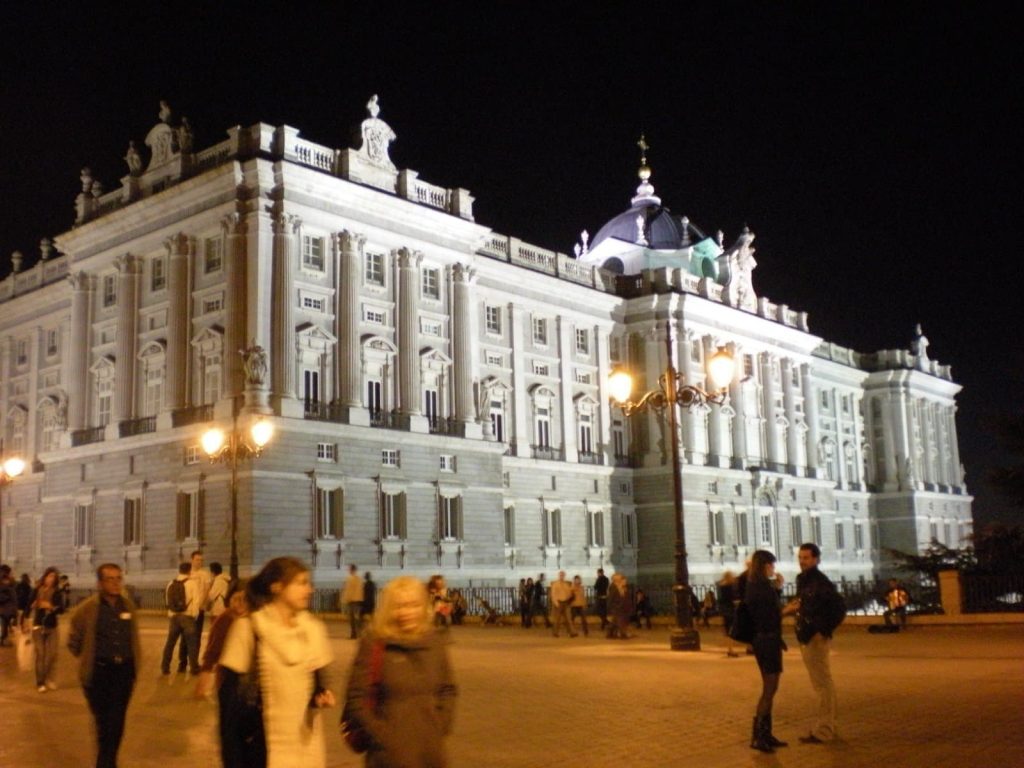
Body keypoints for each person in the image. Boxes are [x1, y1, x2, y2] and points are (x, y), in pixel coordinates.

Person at [220, 557, 337, 768]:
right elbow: (229, 705)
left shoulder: (312, 629)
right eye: (301, 583)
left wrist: (320, 696)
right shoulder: (249, 628)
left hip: (307, 746)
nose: (309, 589)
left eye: (308, 583)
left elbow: (314, 683)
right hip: (264, 747)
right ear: (277, 587)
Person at [343, 575, 457, 767]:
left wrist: (440, 725)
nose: (407, 612)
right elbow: (356, 697)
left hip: (430, 751)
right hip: (389, 757)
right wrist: (383, 737)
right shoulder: (374, 644)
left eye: (413, 605)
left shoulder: (434, 641)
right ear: (388, 609)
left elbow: (447, 689)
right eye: (400, 606)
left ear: (423, 606)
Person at [67, 563, 142, 768]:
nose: (116, 583)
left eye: (119, 578)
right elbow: (73, 641)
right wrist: (87, 656)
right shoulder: (87, 608)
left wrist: (135, 665)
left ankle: (107, 763)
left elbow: (133, 637)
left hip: (124, 672)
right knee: (103, 723)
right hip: (99, 672)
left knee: (116, 723)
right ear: (100, 583)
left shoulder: (128, 606)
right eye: (110, 579)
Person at [787, 542, 839, 744]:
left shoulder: (820, 582)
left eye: (806, 558)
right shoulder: (804, 580)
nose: (802, 561)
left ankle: (824, 730)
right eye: (800, 558)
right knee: (821, 683)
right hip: (806, 635)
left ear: (816, 559)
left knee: (822, 684)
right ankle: (827, 726)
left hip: (814, 638)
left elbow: (838, 608)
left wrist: (823, 631)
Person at [196, 580, 252, 768]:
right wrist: (205, 676)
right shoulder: (225, 619)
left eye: (245, 599)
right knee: (229, 733)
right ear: (230, 599)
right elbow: (212, 651)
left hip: (252, 685)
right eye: (236, 599)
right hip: (228, 682)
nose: (240, 604)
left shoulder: (256, 620)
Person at [745, 550, 788, 753]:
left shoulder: (755, 586)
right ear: (764, 566)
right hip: (767, 640)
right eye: (771, 565)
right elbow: (770, 615)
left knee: (771, 688)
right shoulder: (761, 588)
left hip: (764, 640)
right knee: (769, 689)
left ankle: (765, 734)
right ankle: (758, 736)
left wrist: (777, 590)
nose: (773, 568)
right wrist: (787, 610)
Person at [27, 565, 67, 691]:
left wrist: (50, 607)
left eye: (54, 577)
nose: (51, 579)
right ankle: (40, 682)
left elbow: (62, 609)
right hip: (38, 625)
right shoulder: (36, 590)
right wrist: (25, 619)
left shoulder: (57, 592)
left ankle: (49, 678)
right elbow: (28, 606)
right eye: (49, 576)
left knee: (52, 655)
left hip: (52, 626)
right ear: (45, 577)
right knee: (41, 654)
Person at [161, 562, 201, 678]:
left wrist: (172, 613)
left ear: (179, 570)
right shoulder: (192, 583)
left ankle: (165, 667)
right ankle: (194, 668)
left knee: (170, 643)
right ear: (189, 570)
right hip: (187, 617)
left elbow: (167, 601)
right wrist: (194, 615)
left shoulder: (171, 583)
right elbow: (196, 601)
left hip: (174, 617)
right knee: (191, 644)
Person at [182, 550, 212, 670]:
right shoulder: (187, 573)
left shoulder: (205, 574)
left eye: (201, 560)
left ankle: (194, 663)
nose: (199, 562)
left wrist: (201, 604)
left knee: (197, 636)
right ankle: (182, 663)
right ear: (192, 560)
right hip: (187, 610)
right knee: (185, 636)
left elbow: (207, 590)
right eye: (197, 559)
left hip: (199, 610)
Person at [717, 570, 740, 657]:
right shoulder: (730, 587)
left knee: (728, 630)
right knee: (731, 630)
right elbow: (732, 599)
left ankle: (730, 648)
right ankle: (731, 650)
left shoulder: (721, 586)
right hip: (730, 610)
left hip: (724, 610)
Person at [341, 564, 365, 639]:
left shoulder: (349, 579)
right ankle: (359, 633)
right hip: (358, 601)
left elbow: (348, 591)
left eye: (349, 569)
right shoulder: (360, 579)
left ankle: (354, 634)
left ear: (351, 570)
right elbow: (361, 590)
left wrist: (344, 600)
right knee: (357, 618)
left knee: (352, 619)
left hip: (351, 601)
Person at [549, 571, 576, 638]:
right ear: (559, 575)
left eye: (563, 575)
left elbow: (569, 593)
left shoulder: (566, 584)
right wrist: (556, 603)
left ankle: (571, 632)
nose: (562, 576)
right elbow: (553, 594)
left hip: (565, 602)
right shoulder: (555, 584)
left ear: (564, 576)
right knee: (557, 619)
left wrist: (569, 598)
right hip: (559, 602)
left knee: (568, 619)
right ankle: (555, 633)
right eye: (561, 575)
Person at [606, 572, 633, 639]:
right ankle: (623, 634)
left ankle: (610, 633)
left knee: (615, 621)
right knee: (621, 621)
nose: (621, 579)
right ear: (616, 579)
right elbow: (611, 598)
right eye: (619, 577)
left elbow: (625, 597)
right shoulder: (613, 587)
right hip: (616, 607)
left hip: (621, 607)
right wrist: (610, 608)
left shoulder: (621, 587)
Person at [0, 564, 17, 646]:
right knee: (4, 625)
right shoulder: (3, 580)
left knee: (5, 625)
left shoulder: (8, 580)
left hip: (8, 608)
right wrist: (6, 597)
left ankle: (3, 640)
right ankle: (3, 640)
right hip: (4, 608)